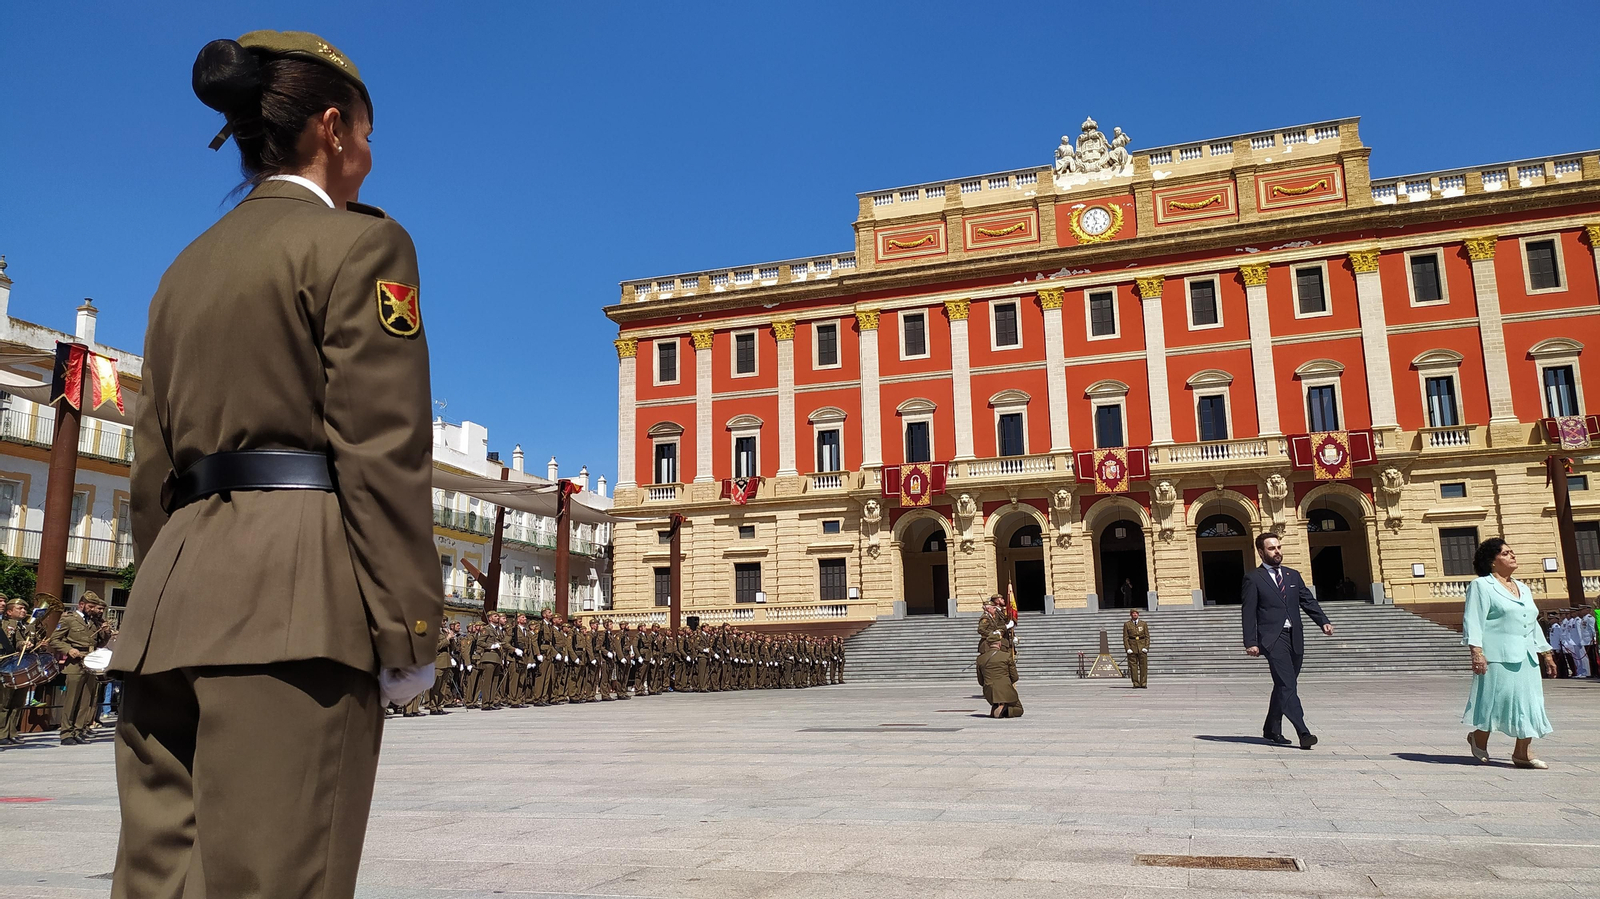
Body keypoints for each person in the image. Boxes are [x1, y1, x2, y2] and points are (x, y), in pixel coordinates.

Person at [110, 31, 440, 899]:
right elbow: (382, 451)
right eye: (365, 134)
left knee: (158, 884)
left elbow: (153, 470)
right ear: (331, 129)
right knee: (277, 881)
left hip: (168, 614)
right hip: (297, 611)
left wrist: (169, 595)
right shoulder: (361, 247)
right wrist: (409, 632)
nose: (369, 156)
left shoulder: (184, 271)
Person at [1463, 538, 1556, 769]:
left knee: (1531, 702)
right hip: (1497, 655)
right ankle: (1479, 737)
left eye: (1512, 552)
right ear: (1492, 562)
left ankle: (1522, 753)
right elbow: (1473, 620)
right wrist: (1476, 652)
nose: (1512, 556)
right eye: (1505, 553)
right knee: (1496, 702)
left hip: (1526, 656)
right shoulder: (1481, 586)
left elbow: (1531, 622)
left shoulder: (1523, 587)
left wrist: (1546, 653)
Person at [1241, 532, 1334, 750]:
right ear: (1261, 552)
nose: (1277, 552)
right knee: (1287, 683)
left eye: (1279, 547)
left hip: (1295, 636)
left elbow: (1307, 601)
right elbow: (1248, 612)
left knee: (1284, 686)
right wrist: (1250, 641)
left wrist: (1323, 621)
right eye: (1272, 548)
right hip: (1273, 638)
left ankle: (1271, 729)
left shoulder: (1293, 576)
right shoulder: (1253, 578)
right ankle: (1304, 731)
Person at [49, 591, 107, 745]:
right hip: (75, 663)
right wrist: (68, 649)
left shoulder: (94, 622)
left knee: (85, 700)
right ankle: (66, 733)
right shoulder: (69, 619)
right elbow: (54, 640)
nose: (93, 609)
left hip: (90, 661)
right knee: (72, 700)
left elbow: (100, 643)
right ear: (81, 605)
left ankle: (78, 730)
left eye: (95, 607)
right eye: (90, 606)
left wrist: (105, 632)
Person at [976, 633, 1023, 718]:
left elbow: (980, 681)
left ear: (988, 644)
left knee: (999, 696)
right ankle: (1003, 708)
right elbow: (1015, 677)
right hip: (1005, 689)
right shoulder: (1006, 656)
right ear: (999, 644)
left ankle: (996, 705)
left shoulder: (980, 659)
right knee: (1018, 709)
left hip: (988, 691)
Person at [1122, 607, 1149, 688]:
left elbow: (1147, 636)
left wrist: (1146, 647)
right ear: (1131, 615)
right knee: (1133, 667)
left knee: (1143, 666)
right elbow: (1125, 637)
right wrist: (1128, 648)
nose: (1135, 614)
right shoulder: (1127, 624)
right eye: (1133, 613)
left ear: (1138, 614)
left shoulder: (1143, 624)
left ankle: (1143, 683)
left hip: (1142, 646)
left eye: (1136, 613)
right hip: (1132, 646)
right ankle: (1135, 683)